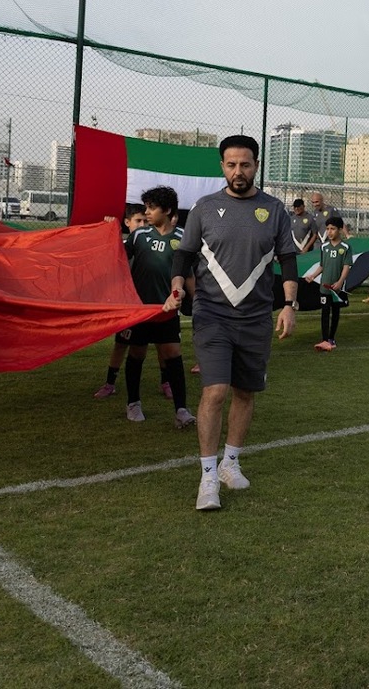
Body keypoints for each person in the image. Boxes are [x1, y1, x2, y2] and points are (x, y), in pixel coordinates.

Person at [164, 134, 297, 512]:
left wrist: (288, 305)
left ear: (256, 166)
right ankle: (207, 477)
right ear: (222, 166)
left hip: (256, 318)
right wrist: (177, 285)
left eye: (246, 164)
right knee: (215, 391)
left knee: (245, 392)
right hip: (213, 315)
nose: (238, 171)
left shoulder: (274, 210)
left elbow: (287, 259)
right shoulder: (204, 208)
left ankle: (230, 463)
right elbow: (184, 255)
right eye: (231, 164)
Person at [120, 187, 194, 427]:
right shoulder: (139, 236)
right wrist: (106, 231)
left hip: (166, 310)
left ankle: (181, 410)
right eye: (146, 207)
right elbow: (117, 255)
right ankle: (133, 403)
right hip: (140, 309)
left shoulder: (183, 238)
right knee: (137, 353)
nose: (147, 212)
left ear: (168, 210)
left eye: (152, 208)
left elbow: (189, 274)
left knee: (173, 354)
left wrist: (196, 301)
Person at [95, 203, 150, 399]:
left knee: (165, 345)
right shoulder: (123, 245)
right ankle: (110, 383)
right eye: (138, 221)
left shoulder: (154, 243)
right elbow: (106, 254)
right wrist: (108, 229)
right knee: (121, 344)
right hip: (130, 306)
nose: (142, 224)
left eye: (145, 220)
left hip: (152, 304)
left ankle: (167, 381)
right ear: (127, 223)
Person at [315, 216, 352, 351]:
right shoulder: (324, 247)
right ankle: (324, 339)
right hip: (325, 287)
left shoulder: (346, 247)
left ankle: (331, 337)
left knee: (335, 312)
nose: (329, 232)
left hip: (337, 288)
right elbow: (322, 265)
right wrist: (313, 275)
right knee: (325, 312)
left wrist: (340, 282)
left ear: (340, 230)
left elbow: (346, 267)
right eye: (328, 229)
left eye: (333, 229)